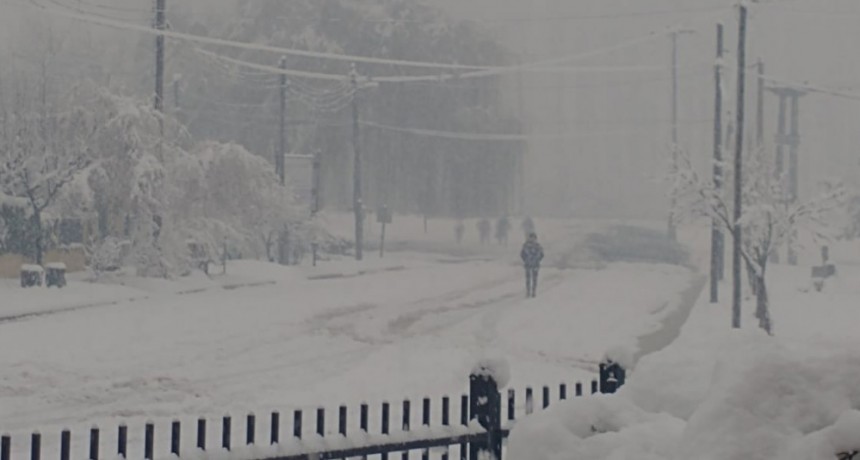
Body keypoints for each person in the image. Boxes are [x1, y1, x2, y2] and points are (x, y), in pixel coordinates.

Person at [520, 232, 544, 298]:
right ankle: (528, 291)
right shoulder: (526, 246)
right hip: (528, 264)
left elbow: (542, 255)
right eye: (531, 237)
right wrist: (526, 260)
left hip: (535, 264)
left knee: (534, 279)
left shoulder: (538, 246)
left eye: (533, 238)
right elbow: (522, 254)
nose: (532, 239)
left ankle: (533, 291)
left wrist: (537, 260)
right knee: (528, 279)